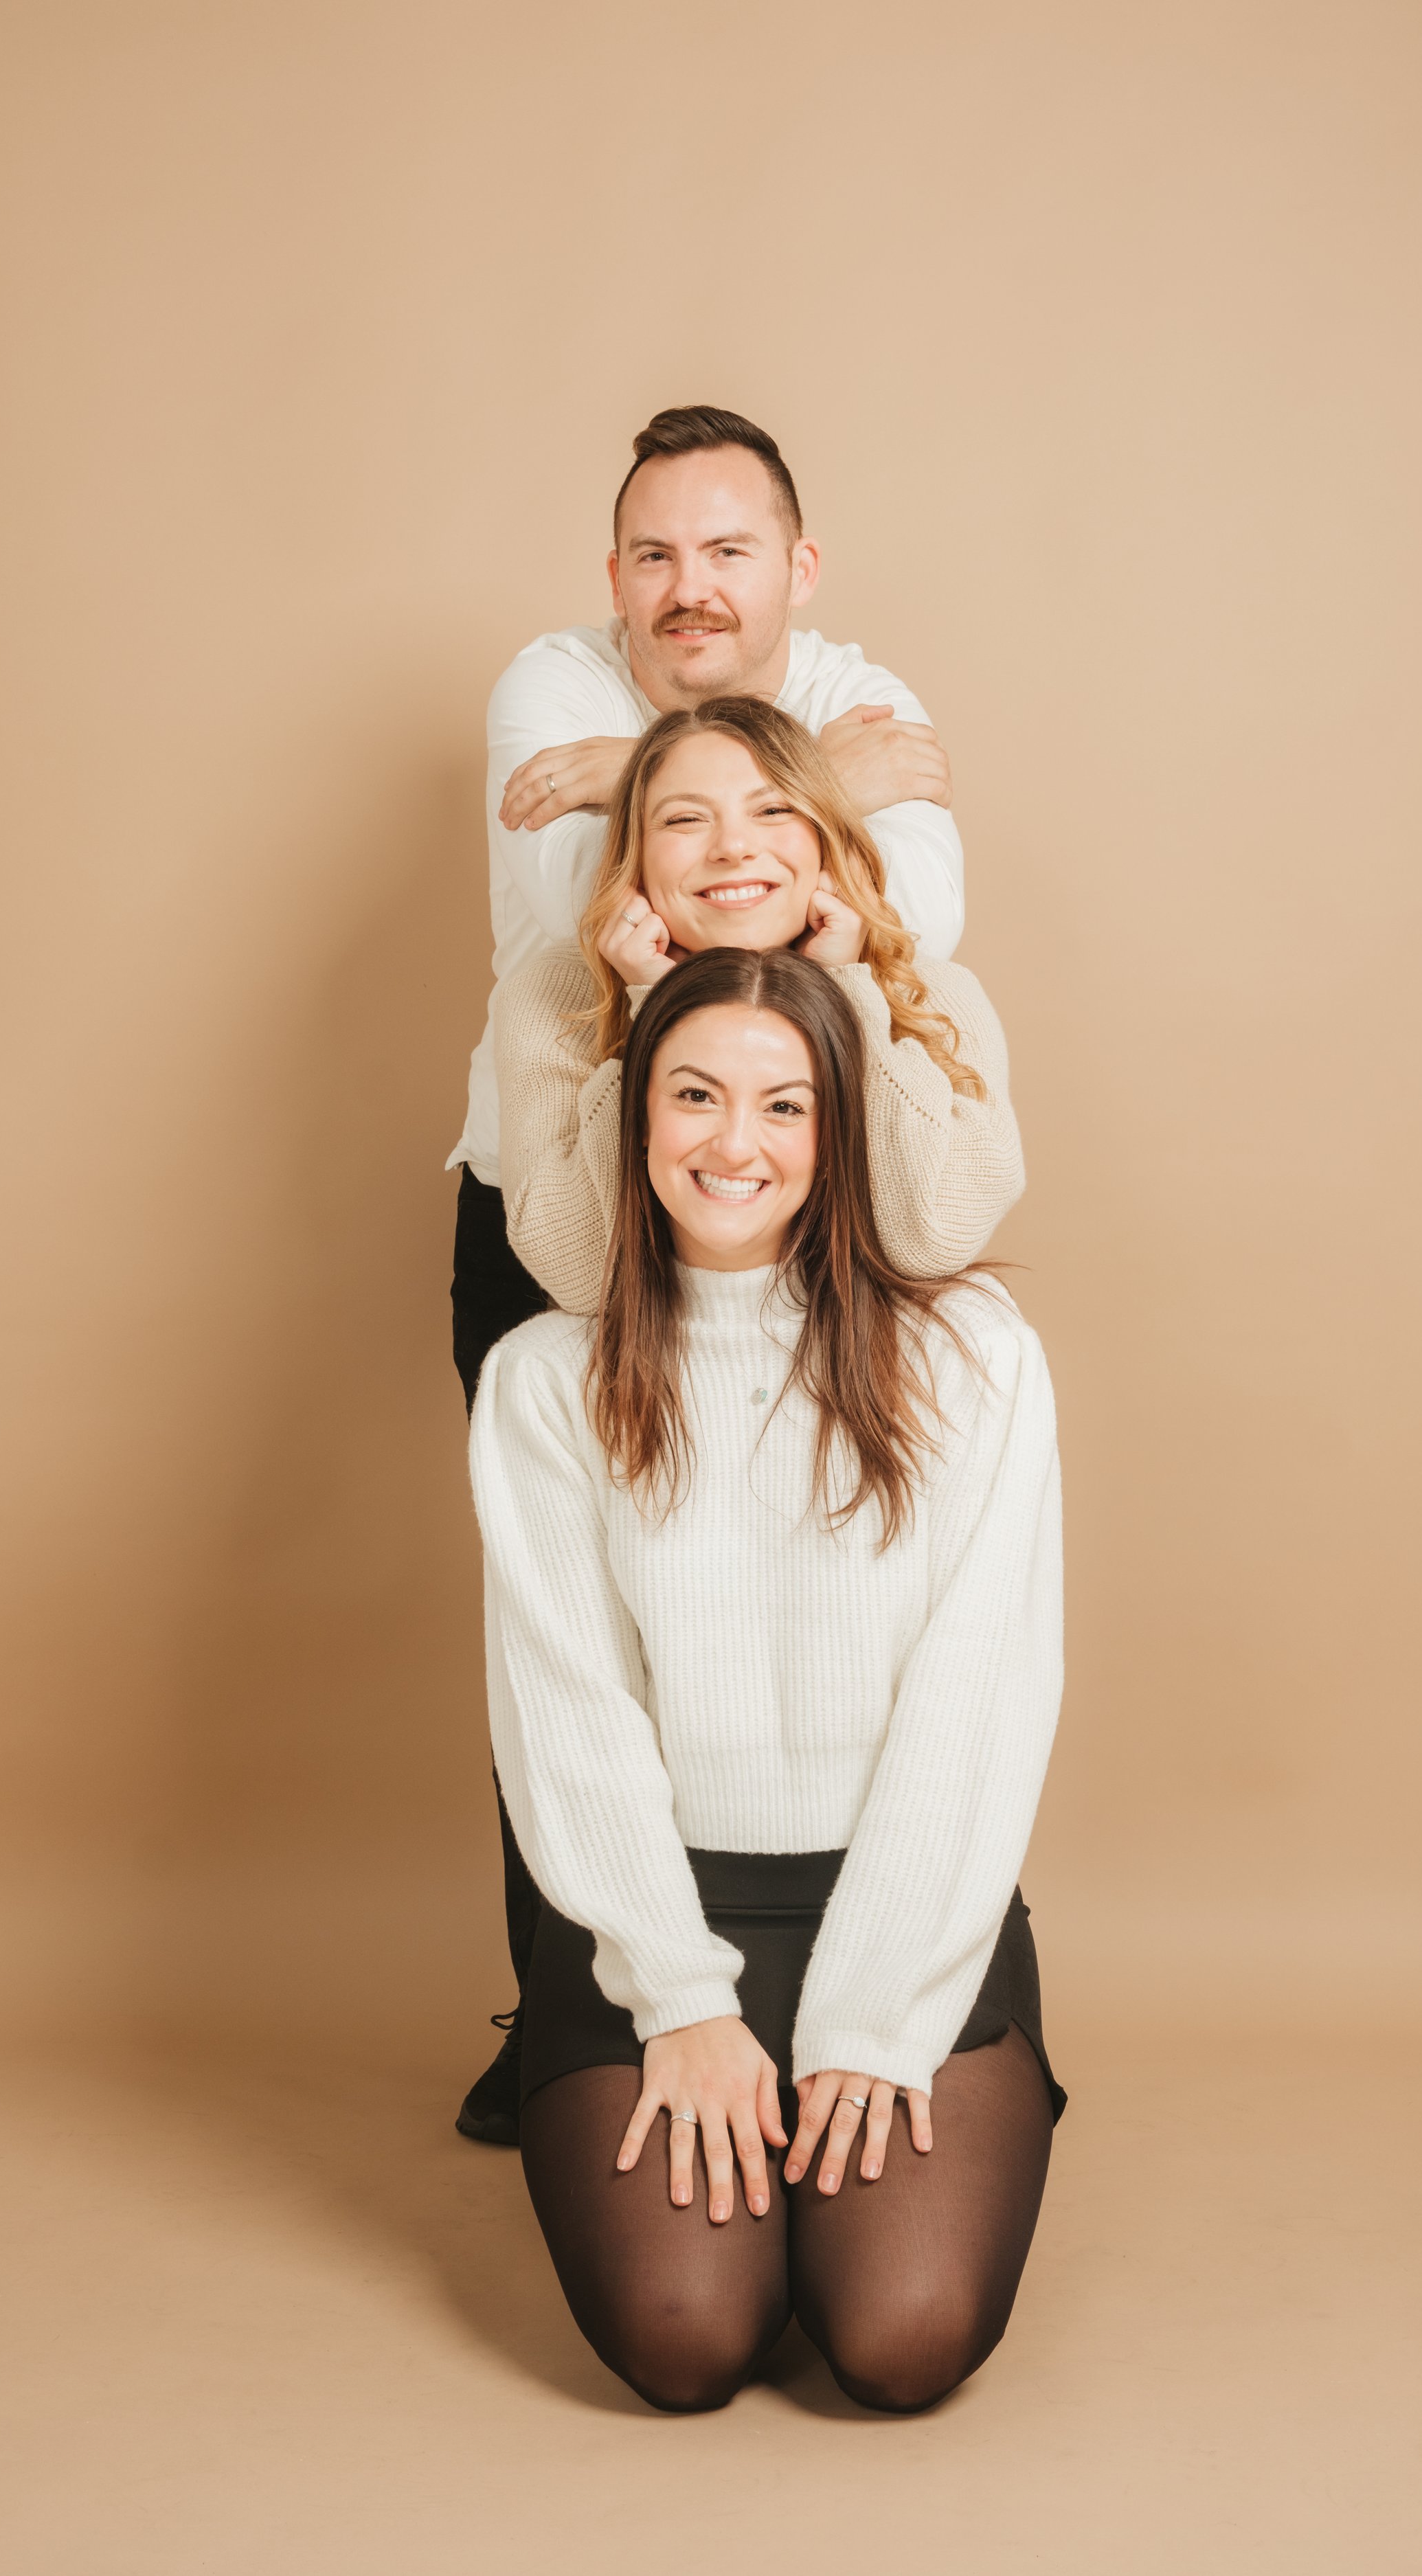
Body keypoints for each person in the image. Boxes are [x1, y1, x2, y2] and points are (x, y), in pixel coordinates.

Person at [453, 405, 971, 2144]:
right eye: (656, 556)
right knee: (572, 1608)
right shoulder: (546, 677)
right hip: (564, 1184)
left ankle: (852, 1977)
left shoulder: (860, 672)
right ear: (614, 577)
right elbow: (577, 910)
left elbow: (914, 923)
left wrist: (655, 773)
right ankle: (575, 2007)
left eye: (728, 549)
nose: (691, 587)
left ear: (796, 566)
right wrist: (818, 782)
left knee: (794, 1588)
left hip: (791, 1185)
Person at [469, 946, 1064, 2414]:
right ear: (637, 1119)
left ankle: (872, 2097)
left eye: (783, 1106)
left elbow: (976, 1703)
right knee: (684, 2338)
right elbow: (568, 1717)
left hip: (907, 1903)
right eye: (695, 1096)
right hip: (652, 1918)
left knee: (899, 2341)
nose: (734, 1143)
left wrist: (870, 2016)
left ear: (835, 1132)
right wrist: (677, 1998)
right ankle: (688, 2068)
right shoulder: (547, 1379)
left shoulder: (974, 1359)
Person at [494, 694, 1022, 1315]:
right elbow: (583, 1273)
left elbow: (930, 1239)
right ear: (635, 851)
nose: (734, 848)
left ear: (825, 833)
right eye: (685, 820)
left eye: (774, 809)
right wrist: (653, 1007)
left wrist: (846, 995)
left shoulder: (931, 996)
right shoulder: (555, 999)